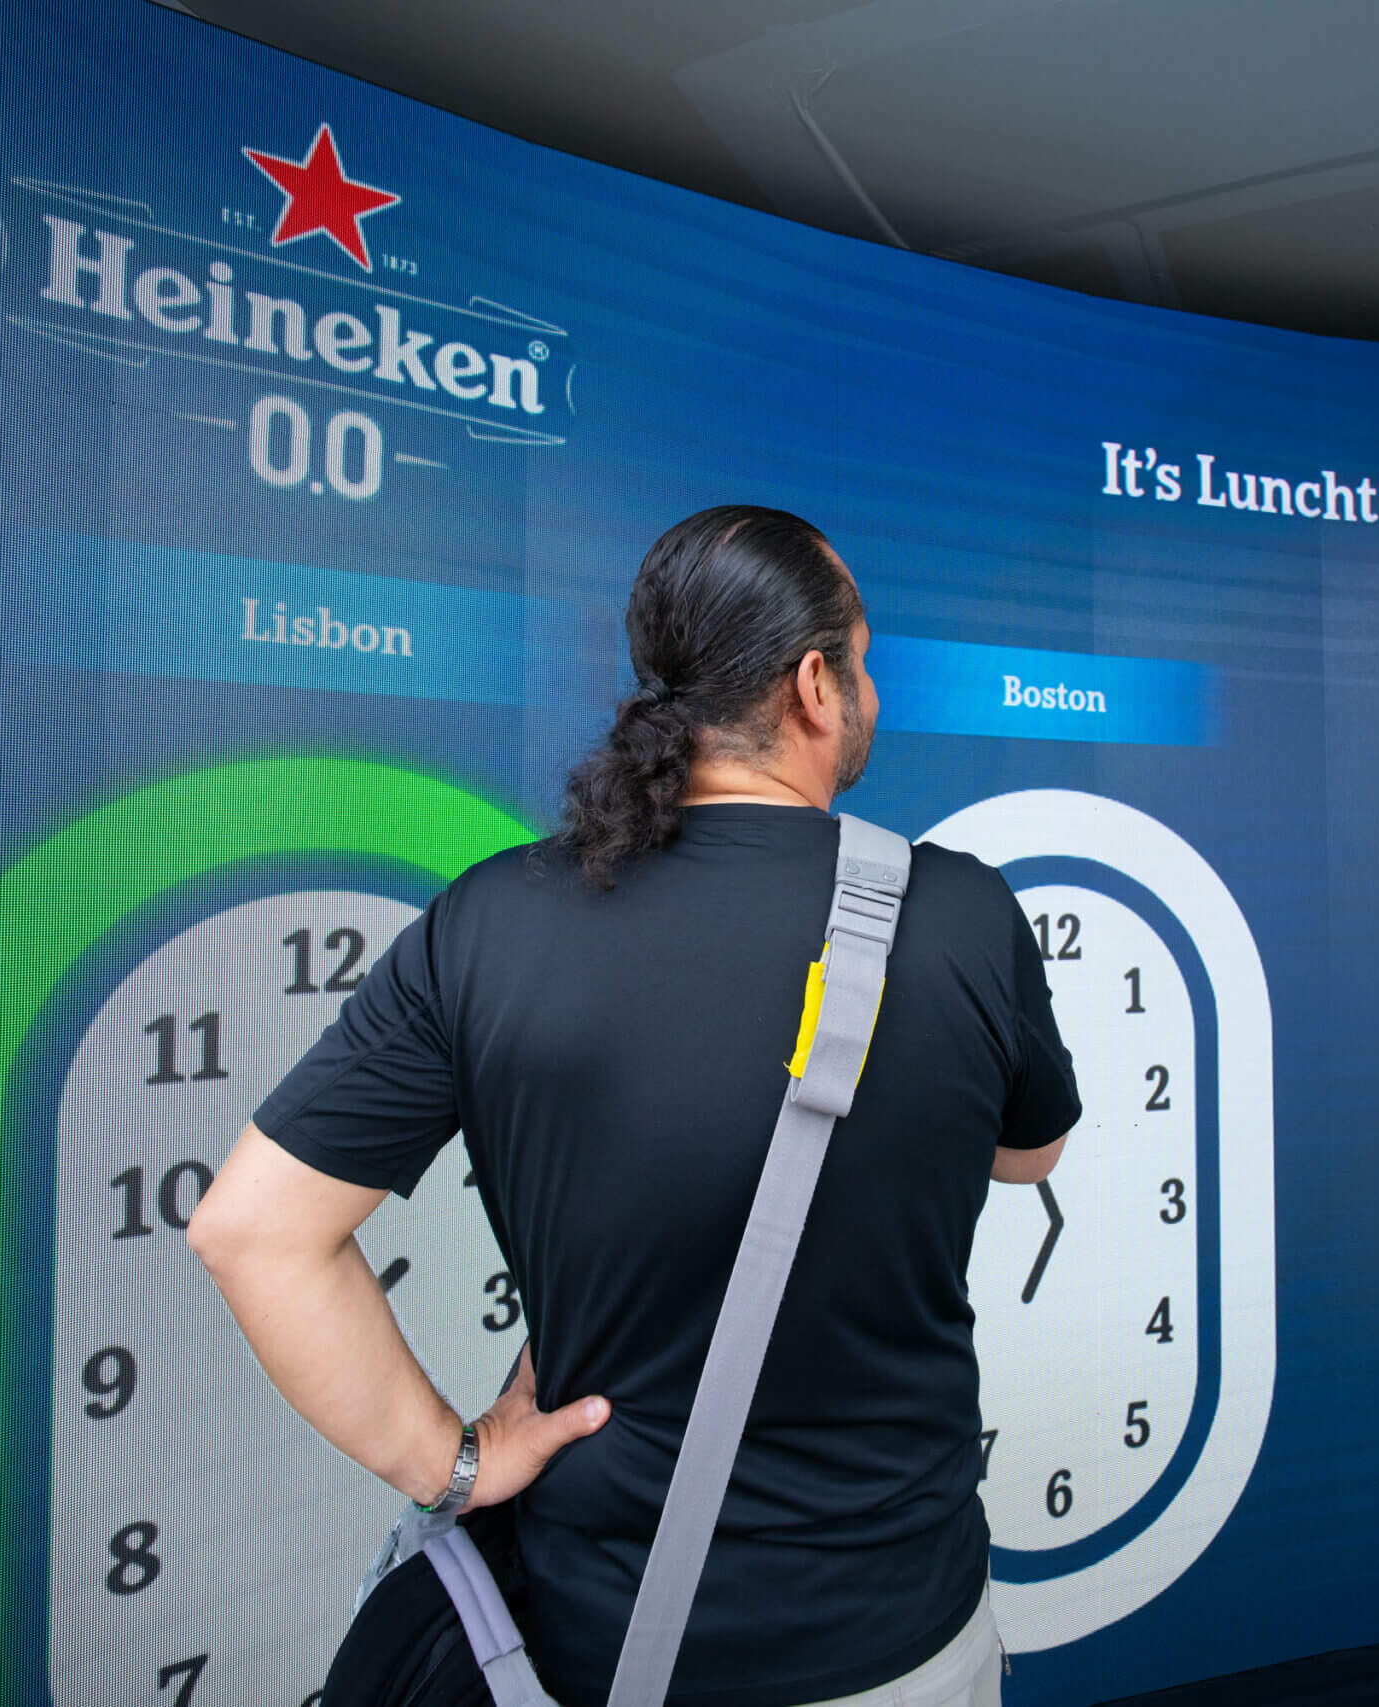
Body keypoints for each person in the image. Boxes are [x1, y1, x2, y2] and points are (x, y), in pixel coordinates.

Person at [189, 506, 1081, 1706]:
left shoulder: (491, 922)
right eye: (859, 659)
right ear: (814, 685)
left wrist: (448, 1462)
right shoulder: (962, 917)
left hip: (604, 1648)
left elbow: (251, 1230)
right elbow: (1030, 1156)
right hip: (902, 1636)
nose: (866, 688)